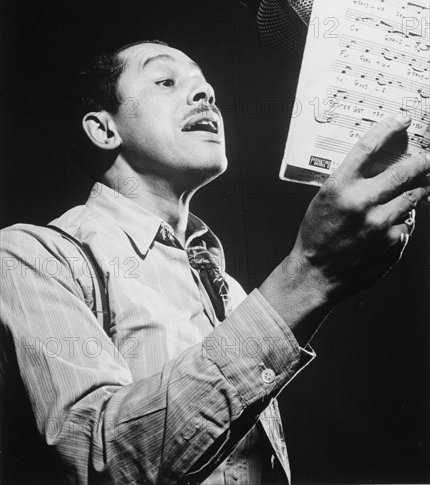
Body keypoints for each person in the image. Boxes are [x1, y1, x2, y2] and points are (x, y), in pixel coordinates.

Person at [0, 39, 429, 485]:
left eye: (208, 90)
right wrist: (308, 276)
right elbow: (99, 460)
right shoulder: (30, 255)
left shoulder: (231, 291)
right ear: (105, 130)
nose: (205, 95)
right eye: (166, 81)